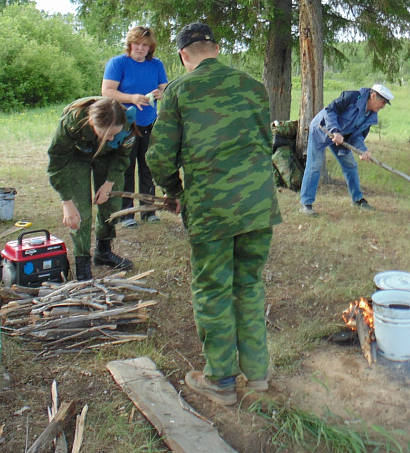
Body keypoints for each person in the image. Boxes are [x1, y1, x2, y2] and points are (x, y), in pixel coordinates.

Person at [146, 23, 282, 406]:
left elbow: (158, 156)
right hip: (258, 206)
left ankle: (221, 380)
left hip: (212, 210)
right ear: (217, 49)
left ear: (183, 56)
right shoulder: (254, 87)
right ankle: (257, 374)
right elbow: (265, 142)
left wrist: (175, 193)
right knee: (250, 284)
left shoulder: (179, 91)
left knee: (213, 288)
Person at [47, 97, 136, 281]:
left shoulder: (125, 122)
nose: (111, 138)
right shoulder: (72, 122)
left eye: (114, 134)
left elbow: (122, 156)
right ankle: (82, 264)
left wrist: (109, 184)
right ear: (91, 122)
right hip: (77, 157)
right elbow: (57, 162)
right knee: (81, 214)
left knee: (111, 205)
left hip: (107, 157)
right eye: (106, 134)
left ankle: (103, 252)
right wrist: (67, 201)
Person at [102, 26, 169, 226]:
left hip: (150, 122)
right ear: (130, 45)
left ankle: (148, 210)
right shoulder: (118, 63)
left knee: (148, 166)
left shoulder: (156, 65)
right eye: (137, 44)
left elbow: (165, 90)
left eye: (145, 45)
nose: (140, 48)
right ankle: (126, 213)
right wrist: (131, 98)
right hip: (125, 123)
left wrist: (160, 94)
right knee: (126, 168)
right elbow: (107, 91)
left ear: (150, 47)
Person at [299, 83, 394, 215]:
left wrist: (363, 150)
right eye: (383, 102)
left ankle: (357, 200)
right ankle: (306, 204)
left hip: (341, 138)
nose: (383, 106)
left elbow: (358, 136)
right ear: (373, 96)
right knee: (315, 165)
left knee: (350, 165)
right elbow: (329, 111)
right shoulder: (351, 97)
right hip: (322, 130)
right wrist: (335, 131)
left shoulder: (371, 116)